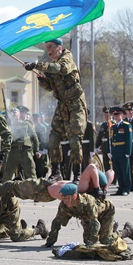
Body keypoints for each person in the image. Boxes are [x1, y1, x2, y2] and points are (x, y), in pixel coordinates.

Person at [25, 38, 87, 182]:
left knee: (74, 138)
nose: (49, 51)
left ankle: (77, 174)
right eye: (47, 48)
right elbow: (50, 87)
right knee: (53, 138)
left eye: (51, 47)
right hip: (62, 105)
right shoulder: (51, 65)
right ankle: (56, 172)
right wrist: (42, 80)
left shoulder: (67, 58)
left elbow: (61, 69)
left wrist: (38, 65)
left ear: (59, 47)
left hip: (75, 104)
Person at [43, 183, 133, 248]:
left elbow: (95, 222)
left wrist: (92, 243)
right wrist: (50, 241)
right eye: (62, 198)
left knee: (105, 240)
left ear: (75, 196)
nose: (64, 201)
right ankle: (110, 228)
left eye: (66, 198)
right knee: (86, 241)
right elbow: (57, 221)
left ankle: (127, 231)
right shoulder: (64, 205)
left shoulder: (88, 202)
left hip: (105, 212)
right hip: (88, 218)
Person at [0, 163, 115, 203]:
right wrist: (102, 188)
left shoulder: (84, 188)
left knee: (11, 188)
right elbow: (108, 172)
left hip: (41, 191)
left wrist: (100, 188)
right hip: (44, 187)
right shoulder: (88, 186)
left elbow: (94, 168)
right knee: (11, 189)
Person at [1, 106, 39, 181]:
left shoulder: (26, 124)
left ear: (19, 114)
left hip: (25, 151)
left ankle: (34, 190)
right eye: (12, 113)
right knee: (7, 174)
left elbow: (34, 137)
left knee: (31, 173)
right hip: (13, 151)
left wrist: (36, 150)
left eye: (15, 113)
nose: (14, 114)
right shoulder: (8, 126)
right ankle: (4, 191)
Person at [108, 107, 132, 196]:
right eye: (114, 115)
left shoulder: (126, 125)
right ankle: (120, 188)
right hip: (115, 151)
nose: (116, 117)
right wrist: (109, 151)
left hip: (123, 150)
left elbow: (129, 140)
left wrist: (127, 152)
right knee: (117, 171)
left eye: (117, 115)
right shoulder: (113, 126)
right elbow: (109, 139)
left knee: (125, 171)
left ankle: (126, 188)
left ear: (122, 115)